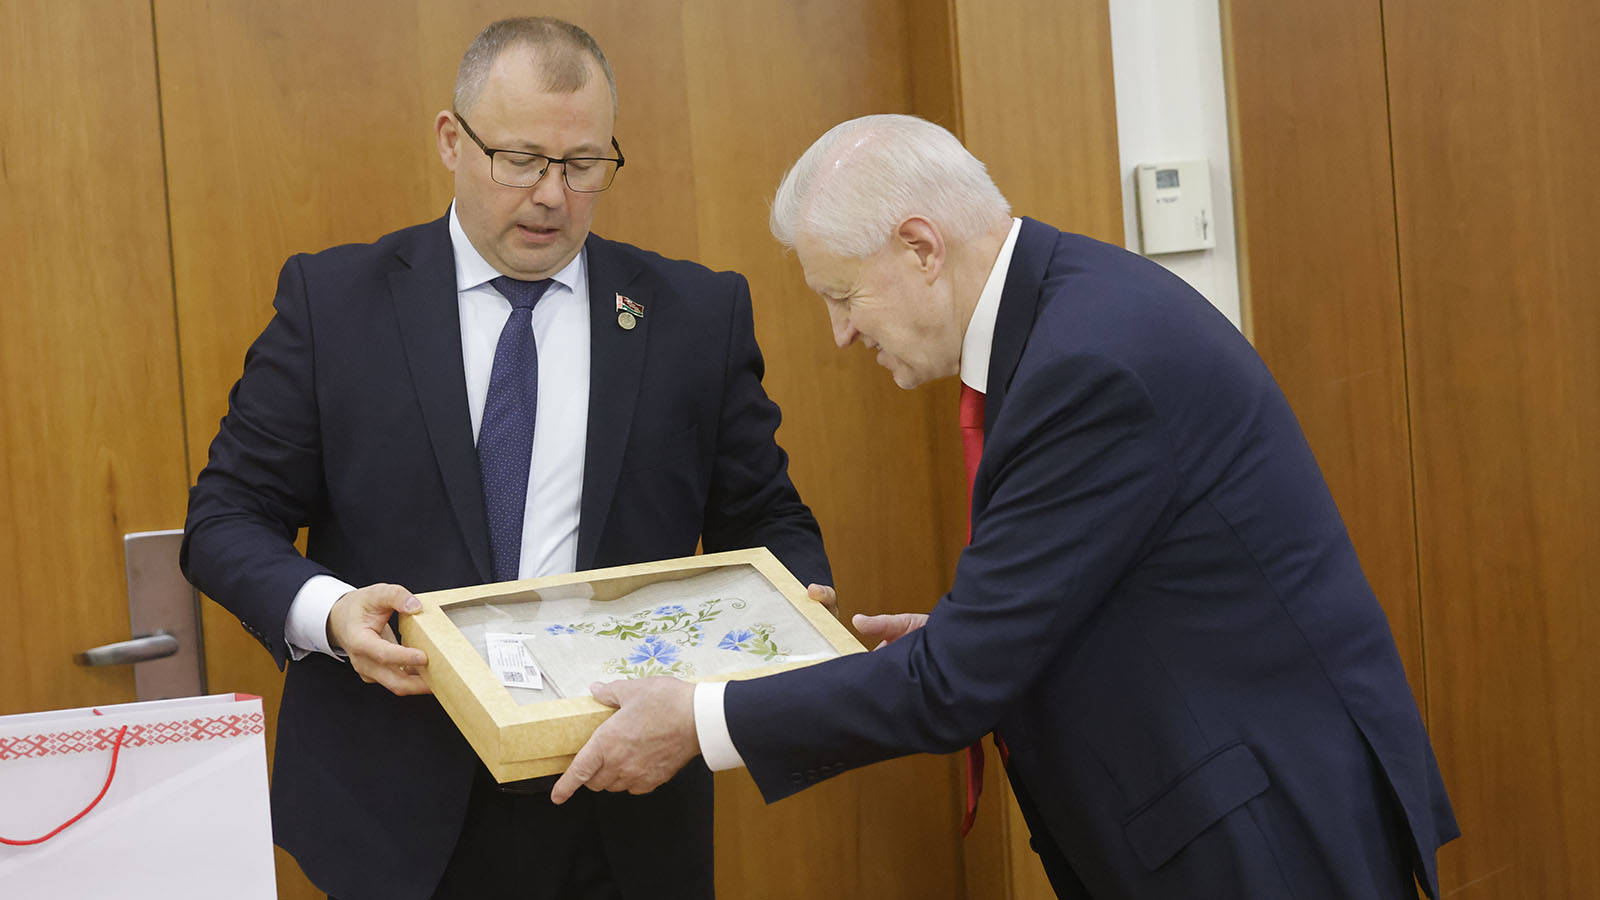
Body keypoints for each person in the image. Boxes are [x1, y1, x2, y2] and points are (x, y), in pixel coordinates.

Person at [550, 114, 1460, 900]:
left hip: (1259, 835)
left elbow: (951, 688)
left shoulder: (1088, 368)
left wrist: (700, 718)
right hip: (1216, 804)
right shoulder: (1068, 312)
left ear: (920, 247)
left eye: (843, 295)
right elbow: (1077, 589)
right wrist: (970, 637)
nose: (842, 333)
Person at [181, 17, 832, 900]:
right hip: (396, 810)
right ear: (452, 140)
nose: (551, 196)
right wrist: (331, 613)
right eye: (520, 160)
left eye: (583, 164)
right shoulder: (334, 306)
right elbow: (225, 519)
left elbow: (765, 519)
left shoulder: (693, 315)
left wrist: (796, 614)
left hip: (621, 800)